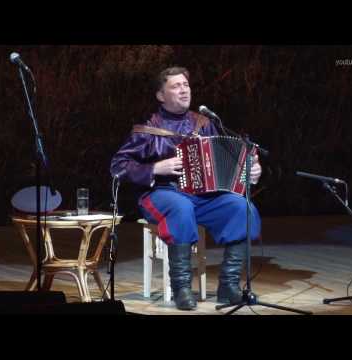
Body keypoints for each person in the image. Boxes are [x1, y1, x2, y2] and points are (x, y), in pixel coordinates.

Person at [110, 66, 262, 310]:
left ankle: (229, 285)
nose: (184, 90)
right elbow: (118, 166)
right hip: (162, 193)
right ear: (161, 96)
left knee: (242, 208)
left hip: (202, 196)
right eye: (176, 86)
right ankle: (181, 287)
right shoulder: (148, 129)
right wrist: (157, 167)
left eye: (186, 85)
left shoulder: (204, 123)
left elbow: (229, 161)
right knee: (180, 208)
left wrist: (251, 171)